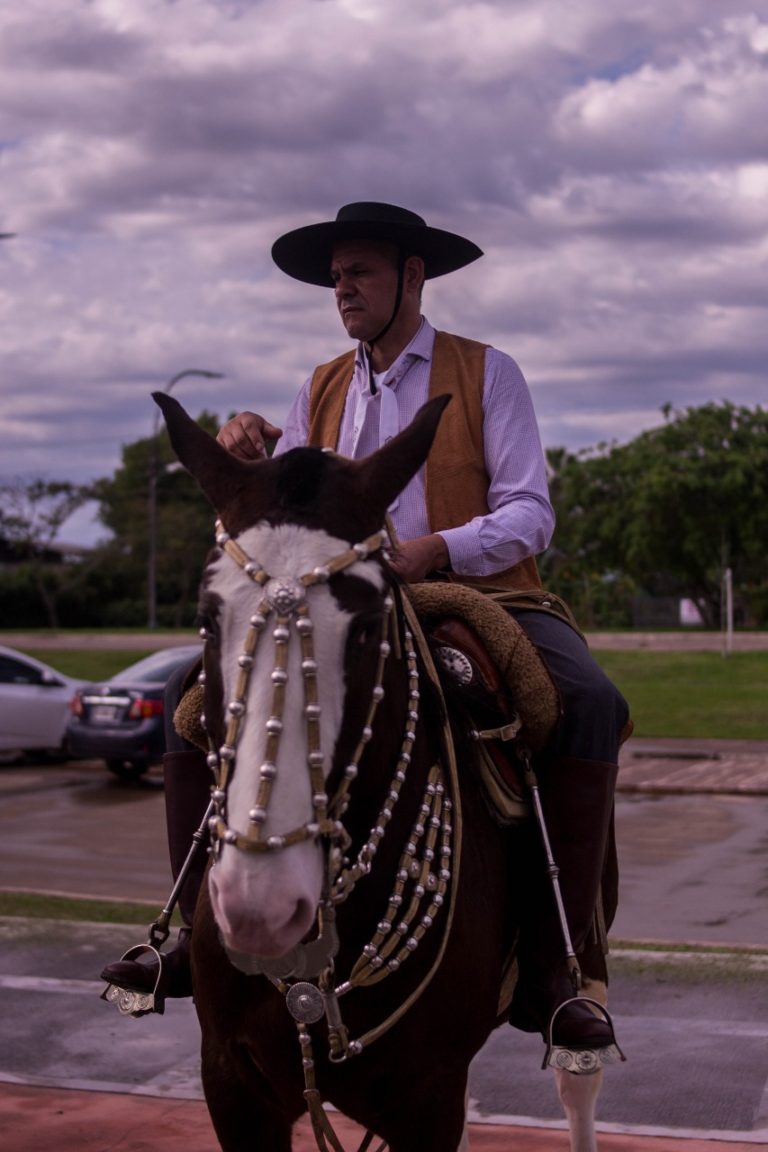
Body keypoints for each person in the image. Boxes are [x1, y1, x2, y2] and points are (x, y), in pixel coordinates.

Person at [102, 202, 629, 1052]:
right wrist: (250, 457)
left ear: (412, 277)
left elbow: (532, 512)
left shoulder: (489, 371)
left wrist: (434, 549)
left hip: (480, 592)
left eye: (361, 272)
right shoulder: (319, 386)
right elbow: (297, 502)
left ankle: (565, 964)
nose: (343, 288)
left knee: (589, 698)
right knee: (186, 694)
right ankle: (182, 931)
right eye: (337, 276)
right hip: (344, 596)